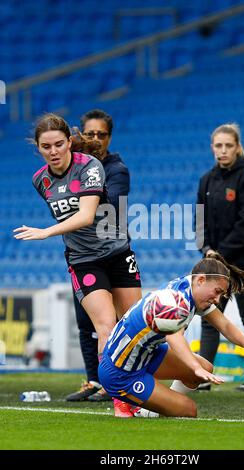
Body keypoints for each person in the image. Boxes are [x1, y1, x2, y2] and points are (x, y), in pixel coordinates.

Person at [13, 113, 142, 413]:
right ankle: (120, 397)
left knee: (134, 324)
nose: (54, 151)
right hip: (84, 260)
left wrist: (46, 232)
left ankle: (149, 381)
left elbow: (85, 216)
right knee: (105, 325)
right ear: (39, 148)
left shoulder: (90, 167)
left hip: (117, 252)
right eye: (46, 147)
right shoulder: (40, 180)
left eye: (59, 144)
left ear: (70, 142)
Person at [98, 253, 244, 418]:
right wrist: (195, 367)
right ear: (201, 279)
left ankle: (151, 408)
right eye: (217, 291)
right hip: (119, 372)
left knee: (205, 368)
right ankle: (134, 401)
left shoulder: (191, 287)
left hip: (145, 355)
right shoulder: (177, 302)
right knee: (189, 410)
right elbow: (174, 338)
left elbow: (223, 323)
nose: (218, 299)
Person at [65, 109, 142, 402]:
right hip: (80, 254)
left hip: (112, 252)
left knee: (125, 321)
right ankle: (95, 380)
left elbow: (111, 206)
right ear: (82, 135)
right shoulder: (73, 167)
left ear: (110, 137)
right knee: (87, 324)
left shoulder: (116, 169)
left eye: (102, 134)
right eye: (90, 133)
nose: (96, 138)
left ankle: (122, 380)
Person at [196, 123, 244, 392]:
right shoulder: (206, 180)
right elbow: (199, 221)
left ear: (237, 147)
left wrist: (220, 252)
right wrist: (206, 250)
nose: (223, 151)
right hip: (217, 262)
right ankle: (203, 375)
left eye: (228, 145)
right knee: (209, 315)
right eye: (218, 146)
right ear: (212, 148)